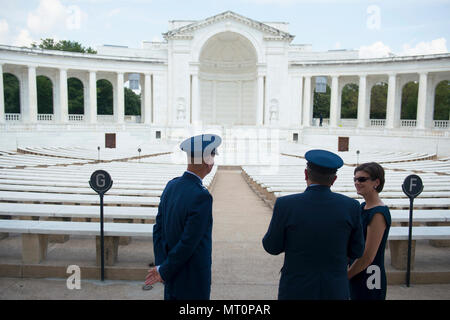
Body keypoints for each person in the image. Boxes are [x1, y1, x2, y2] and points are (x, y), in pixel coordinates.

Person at [262, 149, 365, 300]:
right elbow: (357, 250)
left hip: (296, 289)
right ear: (334, 179)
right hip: (334, 290)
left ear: (306, 174)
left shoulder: (286, 204)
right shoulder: (352, 206)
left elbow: (271, 246)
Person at [144, 134, 222, 300]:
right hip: (191, 277)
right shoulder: (202, 196)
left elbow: (157, 229)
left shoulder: (171, 185)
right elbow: (189, 242)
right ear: (208, 162)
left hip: (170, 273)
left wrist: (161, 266)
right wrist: (164, 270)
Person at [348, 162, 391, 300]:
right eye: (355, 179)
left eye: (362, 179)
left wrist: (346, 276)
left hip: (370, 276)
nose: (356, 182)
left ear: (376, 182)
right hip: (356, 270)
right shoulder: (362, 207)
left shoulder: (378, 213)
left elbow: (368, 256)